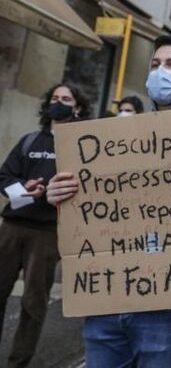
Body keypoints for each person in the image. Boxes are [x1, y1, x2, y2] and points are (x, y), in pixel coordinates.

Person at [47, 34, 171, 367]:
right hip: (108, 296)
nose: (161, 72)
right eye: (155, 64)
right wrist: (59, 196)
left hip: (169, 303)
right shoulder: (116, 135)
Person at [0, 83, 88, 367]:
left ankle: (18, 362)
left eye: (66, 99)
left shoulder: (80, 147)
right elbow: (4, 176)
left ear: (77, 108)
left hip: (48, 233)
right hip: (12, 228)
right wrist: (23, 188)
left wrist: (53, 193)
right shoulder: (29, 141)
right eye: (54, 98)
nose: (59, 102)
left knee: (33, 303)